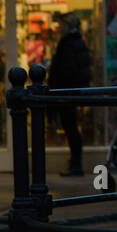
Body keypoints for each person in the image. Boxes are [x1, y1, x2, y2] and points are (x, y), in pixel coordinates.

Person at [48, 12, 92, 177]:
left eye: (61, 25)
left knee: (70, 127)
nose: (58, 28)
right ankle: (75, 163)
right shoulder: (76, 42)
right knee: (71, 127)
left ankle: (75, 164)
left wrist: (58, 88)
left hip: (67, 92)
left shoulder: (67, 43)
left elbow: (66, 70)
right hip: (72, 91)